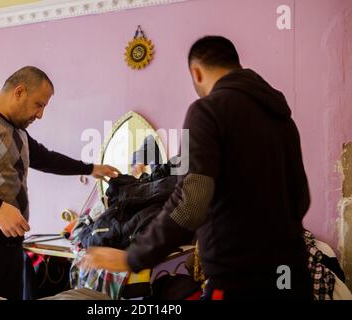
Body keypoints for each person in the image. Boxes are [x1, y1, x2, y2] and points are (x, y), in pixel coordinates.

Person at [81, 36, 313, 300]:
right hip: (293, 276)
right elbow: (301, 198)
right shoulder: (282, 118)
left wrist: (134, 257)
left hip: (241, 282)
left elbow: (191, 203)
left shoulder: (207, 111)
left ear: (196, 72)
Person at [0, 66, 119, 300]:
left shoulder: (19, 133)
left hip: (9, 249)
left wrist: (91, 168)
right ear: (19, 91)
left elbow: (47, 158)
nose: (40, 115)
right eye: (39, 104)